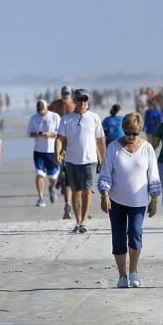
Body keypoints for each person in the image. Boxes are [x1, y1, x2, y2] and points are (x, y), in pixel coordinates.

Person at [97, 112, 161, 288]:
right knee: (118, 238)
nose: (131, 137)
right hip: (116, 201)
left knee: (135, 234)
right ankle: (122, 275)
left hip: (139, 202)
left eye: (135, 133)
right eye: (128, 133)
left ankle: (133, 271)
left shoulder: (147, 148)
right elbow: (106, 173)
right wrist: (104, 195)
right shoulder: (113, 148)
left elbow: (153, 175)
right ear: (123, 130)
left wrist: (154, 199)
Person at [55, 89, 106, 233]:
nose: (82, 102)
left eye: (85, 99)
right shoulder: (66, 119)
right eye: (80, 99)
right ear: (75, 101)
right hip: (71, 161)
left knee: (88, 191)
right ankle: (77, 221)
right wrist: (57, 152)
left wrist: (103, 158)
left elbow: (100, 140)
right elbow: (60, 138)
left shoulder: (94, 117)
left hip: (90, 160)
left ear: (88, 101)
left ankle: (84, 222)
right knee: (76, 192)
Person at [48, 86, 76, 219]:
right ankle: (68, 203)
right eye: (64, 93)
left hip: (72, 141)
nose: (65, 95)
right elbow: (46, 113)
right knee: (63, 169)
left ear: (71, 94)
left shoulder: (75, 104)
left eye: (68, 93)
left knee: (72, 172)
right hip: (59, 139)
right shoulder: (56, 104)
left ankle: (74, 203)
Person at [27, 99, 61, 207]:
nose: (40, 112)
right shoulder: (33, 118)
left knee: (53, 177)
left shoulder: (54, 117)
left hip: (52, 151)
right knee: (39, 174)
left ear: (47, 108)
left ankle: (52, 188)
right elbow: (29, 133)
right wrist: (37, 134)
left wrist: (50, 134)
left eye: (42, 109)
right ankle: (41, 198)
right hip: (38, 151)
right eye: (38, 110)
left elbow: (61, 133)